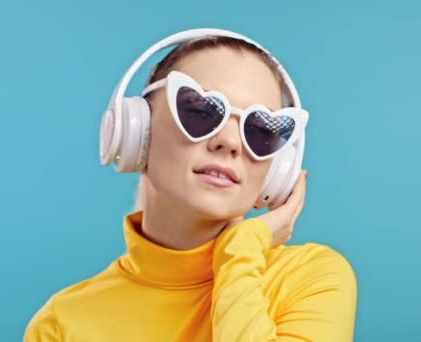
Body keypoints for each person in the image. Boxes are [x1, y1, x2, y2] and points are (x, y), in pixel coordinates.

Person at [24, 28, 357, 341]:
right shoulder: (62, 324)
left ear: (276, 169)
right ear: (137, 131)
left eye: (261, 129)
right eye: (201, 111)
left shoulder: (312, 280)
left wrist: (242, 247)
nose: (230, 142)